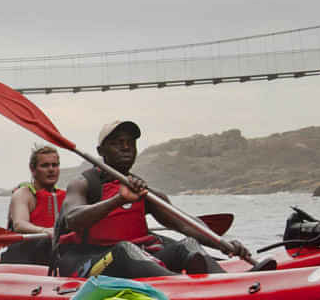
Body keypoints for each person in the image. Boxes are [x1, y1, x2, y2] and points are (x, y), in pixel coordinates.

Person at [53, 118, 253, 279]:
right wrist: (117, 201)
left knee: (188, 244)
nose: (126, 147)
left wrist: (224, 244)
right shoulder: (83, 183)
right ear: (100, 152)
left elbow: (185, 224)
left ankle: (229, 283)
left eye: (130, 143)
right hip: (88, 263)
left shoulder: (142, 190)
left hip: (136, 258)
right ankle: (178, 285)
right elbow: (72, 219)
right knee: (124, 249)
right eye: (116, 143)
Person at [1, 144, 64, 265]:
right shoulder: (23, 194)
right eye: (45, 165)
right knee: (46, 243)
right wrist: (46, 231)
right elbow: (20, 224)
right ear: (33, 169)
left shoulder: (64, 196)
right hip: (24, 254)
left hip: (52, 251)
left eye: (55, 165)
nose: (51, 169)